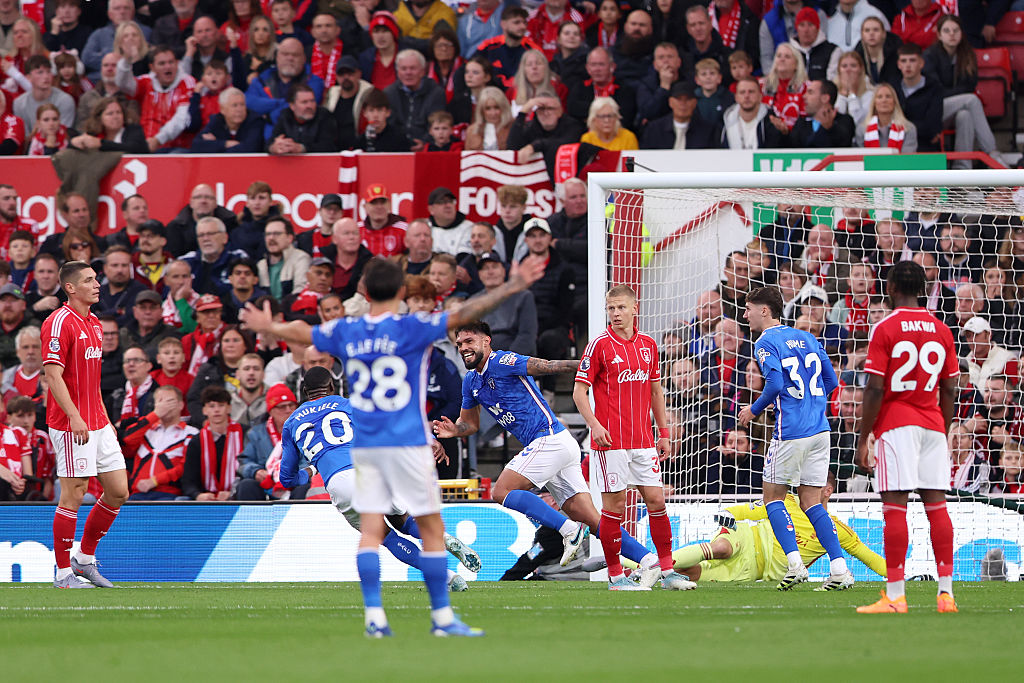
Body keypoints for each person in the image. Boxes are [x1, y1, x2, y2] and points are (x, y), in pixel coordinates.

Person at [241, 256, 554, 637]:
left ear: (366, 292)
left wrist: (267, 325)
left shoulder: (348, 330)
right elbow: (467, 311)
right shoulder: (412, 327)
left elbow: (303, 333)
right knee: (430, 529)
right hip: (405, 443)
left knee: (373, 532)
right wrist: (513, 284)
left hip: (368, 449)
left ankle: (375, 617)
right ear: (403, 292)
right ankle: (442, 619)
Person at [433, 320, 669, 585]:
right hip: (557, 446)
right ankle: (649, 559)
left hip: (548, 440)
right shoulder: (471, 381)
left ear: (486, 341)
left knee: (501, 491)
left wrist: (589, 364)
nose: (464, 348)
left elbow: (545, 366)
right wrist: (455, 430)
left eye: (469, 342)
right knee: (591, 519)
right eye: (460, 344)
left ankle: (567, 529)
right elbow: (471, 424)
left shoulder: (503, 361)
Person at [278, 365, 479, 592]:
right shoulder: (349, 405)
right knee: (401, 518)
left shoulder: (291, 423)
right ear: (333, 386)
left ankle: (449, 577)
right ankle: (443, 537)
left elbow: (286, 480)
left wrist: (312, 471)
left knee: (386, 537)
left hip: (339, 484)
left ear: (304, 391)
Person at [573, 285, 695, 591]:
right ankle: (615, 576)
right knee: (615, 508)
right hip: (611, 443)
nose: (615, 314)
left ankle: (667, 572)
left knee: (656, 500)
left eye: (620, 308)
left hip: (643, 441)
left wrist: (663, 432)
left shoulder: (649, 345)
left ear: (634, 308)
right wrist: (594, 425)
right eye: (611, 308)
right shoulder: (598, 346)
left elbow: (655, 391)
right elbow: (579, 392)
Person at [854, 260, 960, 614]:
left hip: (898, 425)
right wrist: (942, 431)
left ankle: (896, 596)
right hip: (933, 424)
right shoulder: (941, 330)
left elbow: (874, 388)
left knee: (895, 508)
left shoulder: (885, 327)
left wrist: (863, 435)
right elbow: (950, 388)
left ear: (891, 288)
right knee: (937, 507)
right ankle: (946, 594)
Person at [737, 286, 852, 591]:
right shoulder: (807, 337)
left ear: (765, 310)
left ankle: (795, 565)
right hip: (820, 429)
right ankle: (840, 569)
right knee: (811, 501)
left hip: (791, 432)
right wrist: (807, 401)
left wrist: (754, 409)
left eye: (749, 309)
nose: (744, 315)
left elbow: (774, 382)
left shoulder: (765, 342)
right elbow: (830, 381)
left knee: (772, 497)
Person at [42, 260, 128, 588]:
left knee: (118, 490)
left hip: (97, 421)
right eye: (89, 280)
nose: (97, 284)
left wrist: (103, 416)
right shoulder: (58, 322)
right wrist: (75, 416)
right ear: (71, 287)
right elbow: (53, 374)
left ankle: (84, 558)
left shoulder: (94, 323)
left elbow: (91, 381)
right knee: (74, 494)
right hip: (69, 424)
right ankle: (63, 573)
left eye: (96, 279)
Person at [662, 473, 885, 583]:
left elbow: (869, 557)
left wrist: (897, 576)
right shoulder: (786, 501)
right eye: (802, 485)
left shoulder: (836, 529)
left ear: (827, 490)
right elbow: (748, 512)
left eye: (810, 486)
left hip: (752, 570)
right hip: (747, 539)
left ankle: (637, 568)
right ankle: (656, 565)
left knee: (689, 574)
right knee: (722, 549)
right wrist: (728, 514)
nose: (802, 490)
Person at [122, 384, 197, 500]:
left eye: (170, 401)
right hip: (137, 494)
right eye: (160, 401)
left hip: (169, 494)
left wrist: (155, 481)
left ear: (181, 405)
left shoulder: (190, 432)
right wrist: (155, 415)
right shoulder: (147, 428)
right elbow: (128, 439)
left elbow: (186, 466)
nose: (165, 406)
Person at [115, 44, 196, 151]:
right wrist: (126, 60)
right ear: (152, 67)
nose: (168, 67)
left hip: (176, 148)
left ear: (177, 63)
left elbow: (181, 119)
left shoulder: (187, 83)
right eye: (162, 63)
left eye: (171, 62)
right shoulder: (146, 82)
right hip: (146, 144)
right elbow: (123, 84)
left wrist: (158, 139)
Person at [181, 385, 242, 500]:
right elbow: (188, 480)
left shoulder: (243, 434)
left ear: (229, 408)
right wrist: (198, 495)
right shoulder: (196, 441)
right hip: (206, 497)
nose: (216, 410)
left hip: (237, 495)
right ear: (204, 410)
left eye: (221, 405)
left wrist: (233, 492)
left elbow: (247, 470)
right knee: (182, 500)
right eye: (212, 406)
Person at [640, 81, 718, 150]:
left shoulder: (708, 130)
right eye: (678, 99)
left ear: (695, 102)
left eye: (687, 99)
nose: (683, 103)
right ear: (670, 102)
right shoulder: (654, 129)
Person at [13, 55, 76, 134]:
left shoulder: (65, 100)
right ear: (28, 77)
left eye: (49, 72)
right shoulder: (19, 103)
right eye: (40, 72)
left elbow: (64, 134)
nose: (46, 77)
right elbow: (24, 136)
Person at [720, 77, 786, 149]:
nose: (747, 96)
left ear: (760, 96)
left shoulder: (771, 122)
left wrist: (784, 134)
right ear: (736, 97)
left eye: (751, 92)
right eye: (742, 92)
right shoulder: (726, 122)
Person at [787, 79, 854, 147]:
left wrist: (829, 129)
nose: (804, 96)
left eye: (810, 92)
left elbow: (843, 146)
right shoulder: (801, 123)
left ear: (825, 98)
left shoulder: (844, 121)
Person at [855, 82, 917, 152]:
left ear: (894, 102)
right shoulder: (862, 130)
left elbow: (907, 158)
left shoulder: (908, 128)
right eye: (879, 97)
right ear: (874, 103)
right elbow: (860, 158)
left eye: (888, 96)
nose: (884, 100)